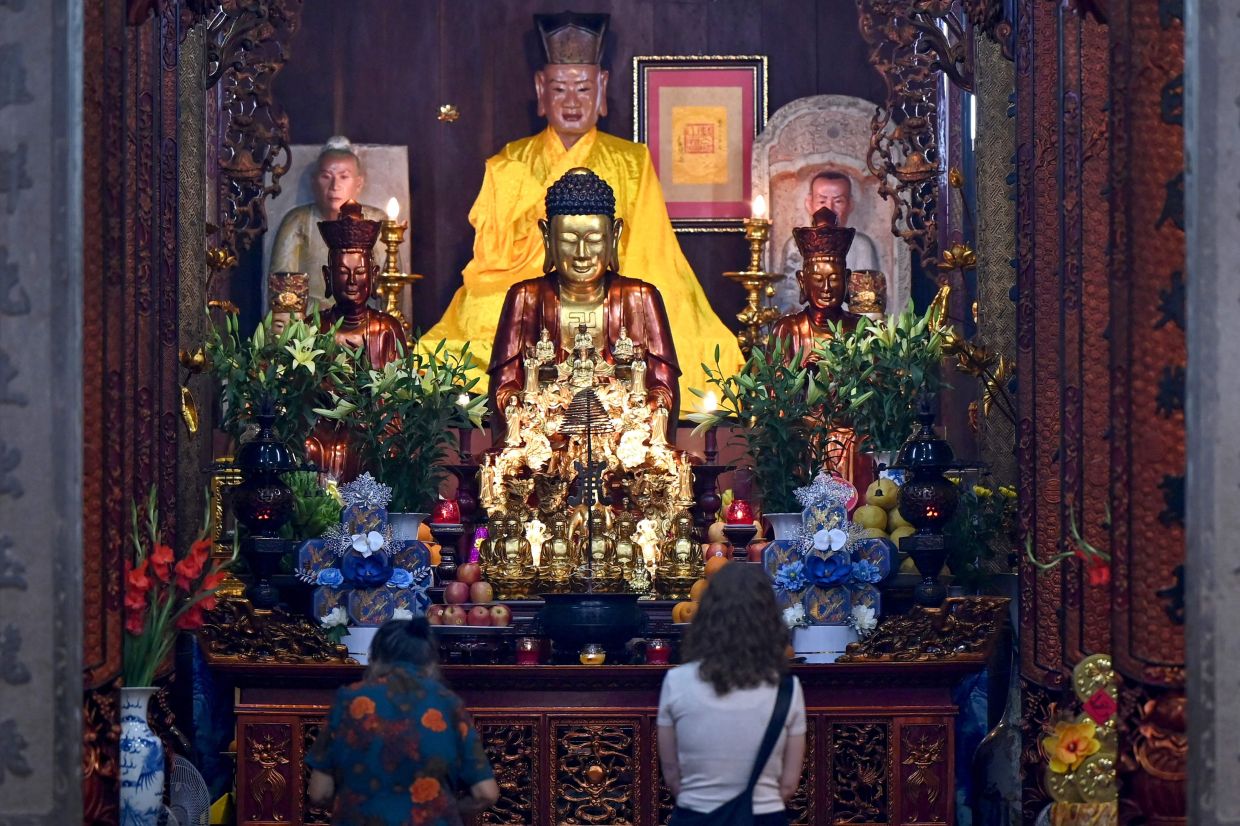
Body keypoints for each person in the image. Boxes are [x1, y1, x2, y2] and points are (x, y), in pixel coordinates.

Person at [421, 12, 742, 404]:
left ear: (602, 87)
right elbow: (491, 259)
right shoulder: (509, 161)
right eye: (559, 89)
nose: (571, 103)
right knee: (454, 342)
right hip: (533, 296)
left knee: (703, 343)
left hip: (610, 294)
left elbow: (650, 251)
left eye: (583, 90)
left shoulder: (632, 160)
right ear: (541, 89)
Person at [488, 167, 679, 439]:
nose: (581, 254)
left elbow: (664, 391)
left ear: (614, 234)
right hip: (546, 442)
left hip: (622, 440)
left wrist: (630, 412)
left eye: (593, 239)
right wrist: (537, 410)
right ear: (547, 236)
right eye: (568, 240)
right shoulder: (525, 297)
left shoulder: (640, 296)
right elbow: (503, 390)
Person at [306, 618, 499, 825]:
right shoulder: (448, 704)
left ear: (375, 657)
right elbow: (486, 793)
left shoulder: (350, 701)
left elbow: (319, 793)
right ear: (429, 661)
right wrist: (445, 810)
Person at [657, 563, 806, 825]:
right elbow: (789, 784)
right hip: (762, 817)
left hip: (696, 816)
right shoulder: (787, 689)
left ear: (707, 617)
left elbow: (671, 775)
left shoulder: (676, 682)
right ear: (769, 620)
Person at [304, 200, 407, 481]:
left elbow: (398, 399)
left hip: (372, 427)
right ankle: (315, 517)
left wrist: (367, 413)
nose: (352, 280)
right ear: (328, 277)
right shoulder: (314, 327)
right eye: (343, 272)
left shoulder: (386, 328)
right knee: (307, 446)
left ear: (372, 276)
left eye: (360, 272)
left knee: (367, 446)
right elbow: (302, 393)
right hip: (323, 425)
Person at [269, 136, 387, 309]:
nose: (334, 186)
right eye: (326, 176)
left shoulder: (376, 222)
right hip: (311, 324)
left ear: (359, 183)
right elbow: (282, 289)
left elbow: (389, 287)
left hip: (364, 322)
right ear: (314, 181)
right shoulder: (297, 221)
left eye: (344, 177)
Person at [773, 171, 880, 315]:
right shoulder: (796, 244)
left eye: (838, 201)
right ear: (809, 204)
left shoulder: (862, 246)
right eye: (822, 201)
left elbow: (869, 302)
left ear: (850, 204)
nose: (829, 209)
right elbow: (787, 298)